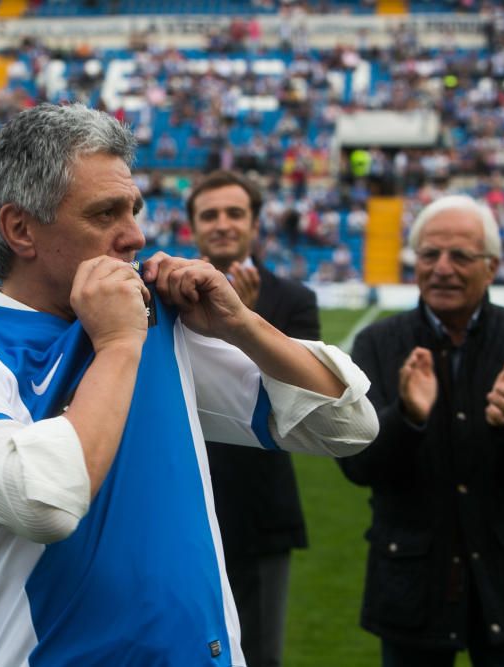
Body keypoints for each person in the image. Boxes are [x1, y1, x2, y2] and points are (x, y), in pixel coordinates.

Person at [0, 103, 379, 667]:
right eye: (105, 215)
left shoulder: (158, 324)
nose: (135, 235)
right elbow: (44, 500)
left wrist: (242, 325)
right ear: (20, 229)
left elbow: (347, 425)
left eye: (136, 210)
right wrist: (120, 345)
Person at [339, 194, 504, 666]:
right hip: (413, 583)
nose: (442, 268)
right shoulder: (378, 343)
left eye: (460, 256)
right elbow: (356, 465)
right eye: (429, 254)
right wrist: (406, 416)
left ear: (491, 268)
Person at [187, 169, 319, 667]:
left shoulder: (293, 300)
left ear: (255, 224)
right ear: (193, 227)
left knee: (259, 653)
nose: (222, 224)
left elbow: (306, 403)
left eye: (235, 213)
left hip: (258, 510)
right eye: (210, 215)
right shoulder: (163, 294)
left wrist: (248, 323)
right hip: (182, 503)